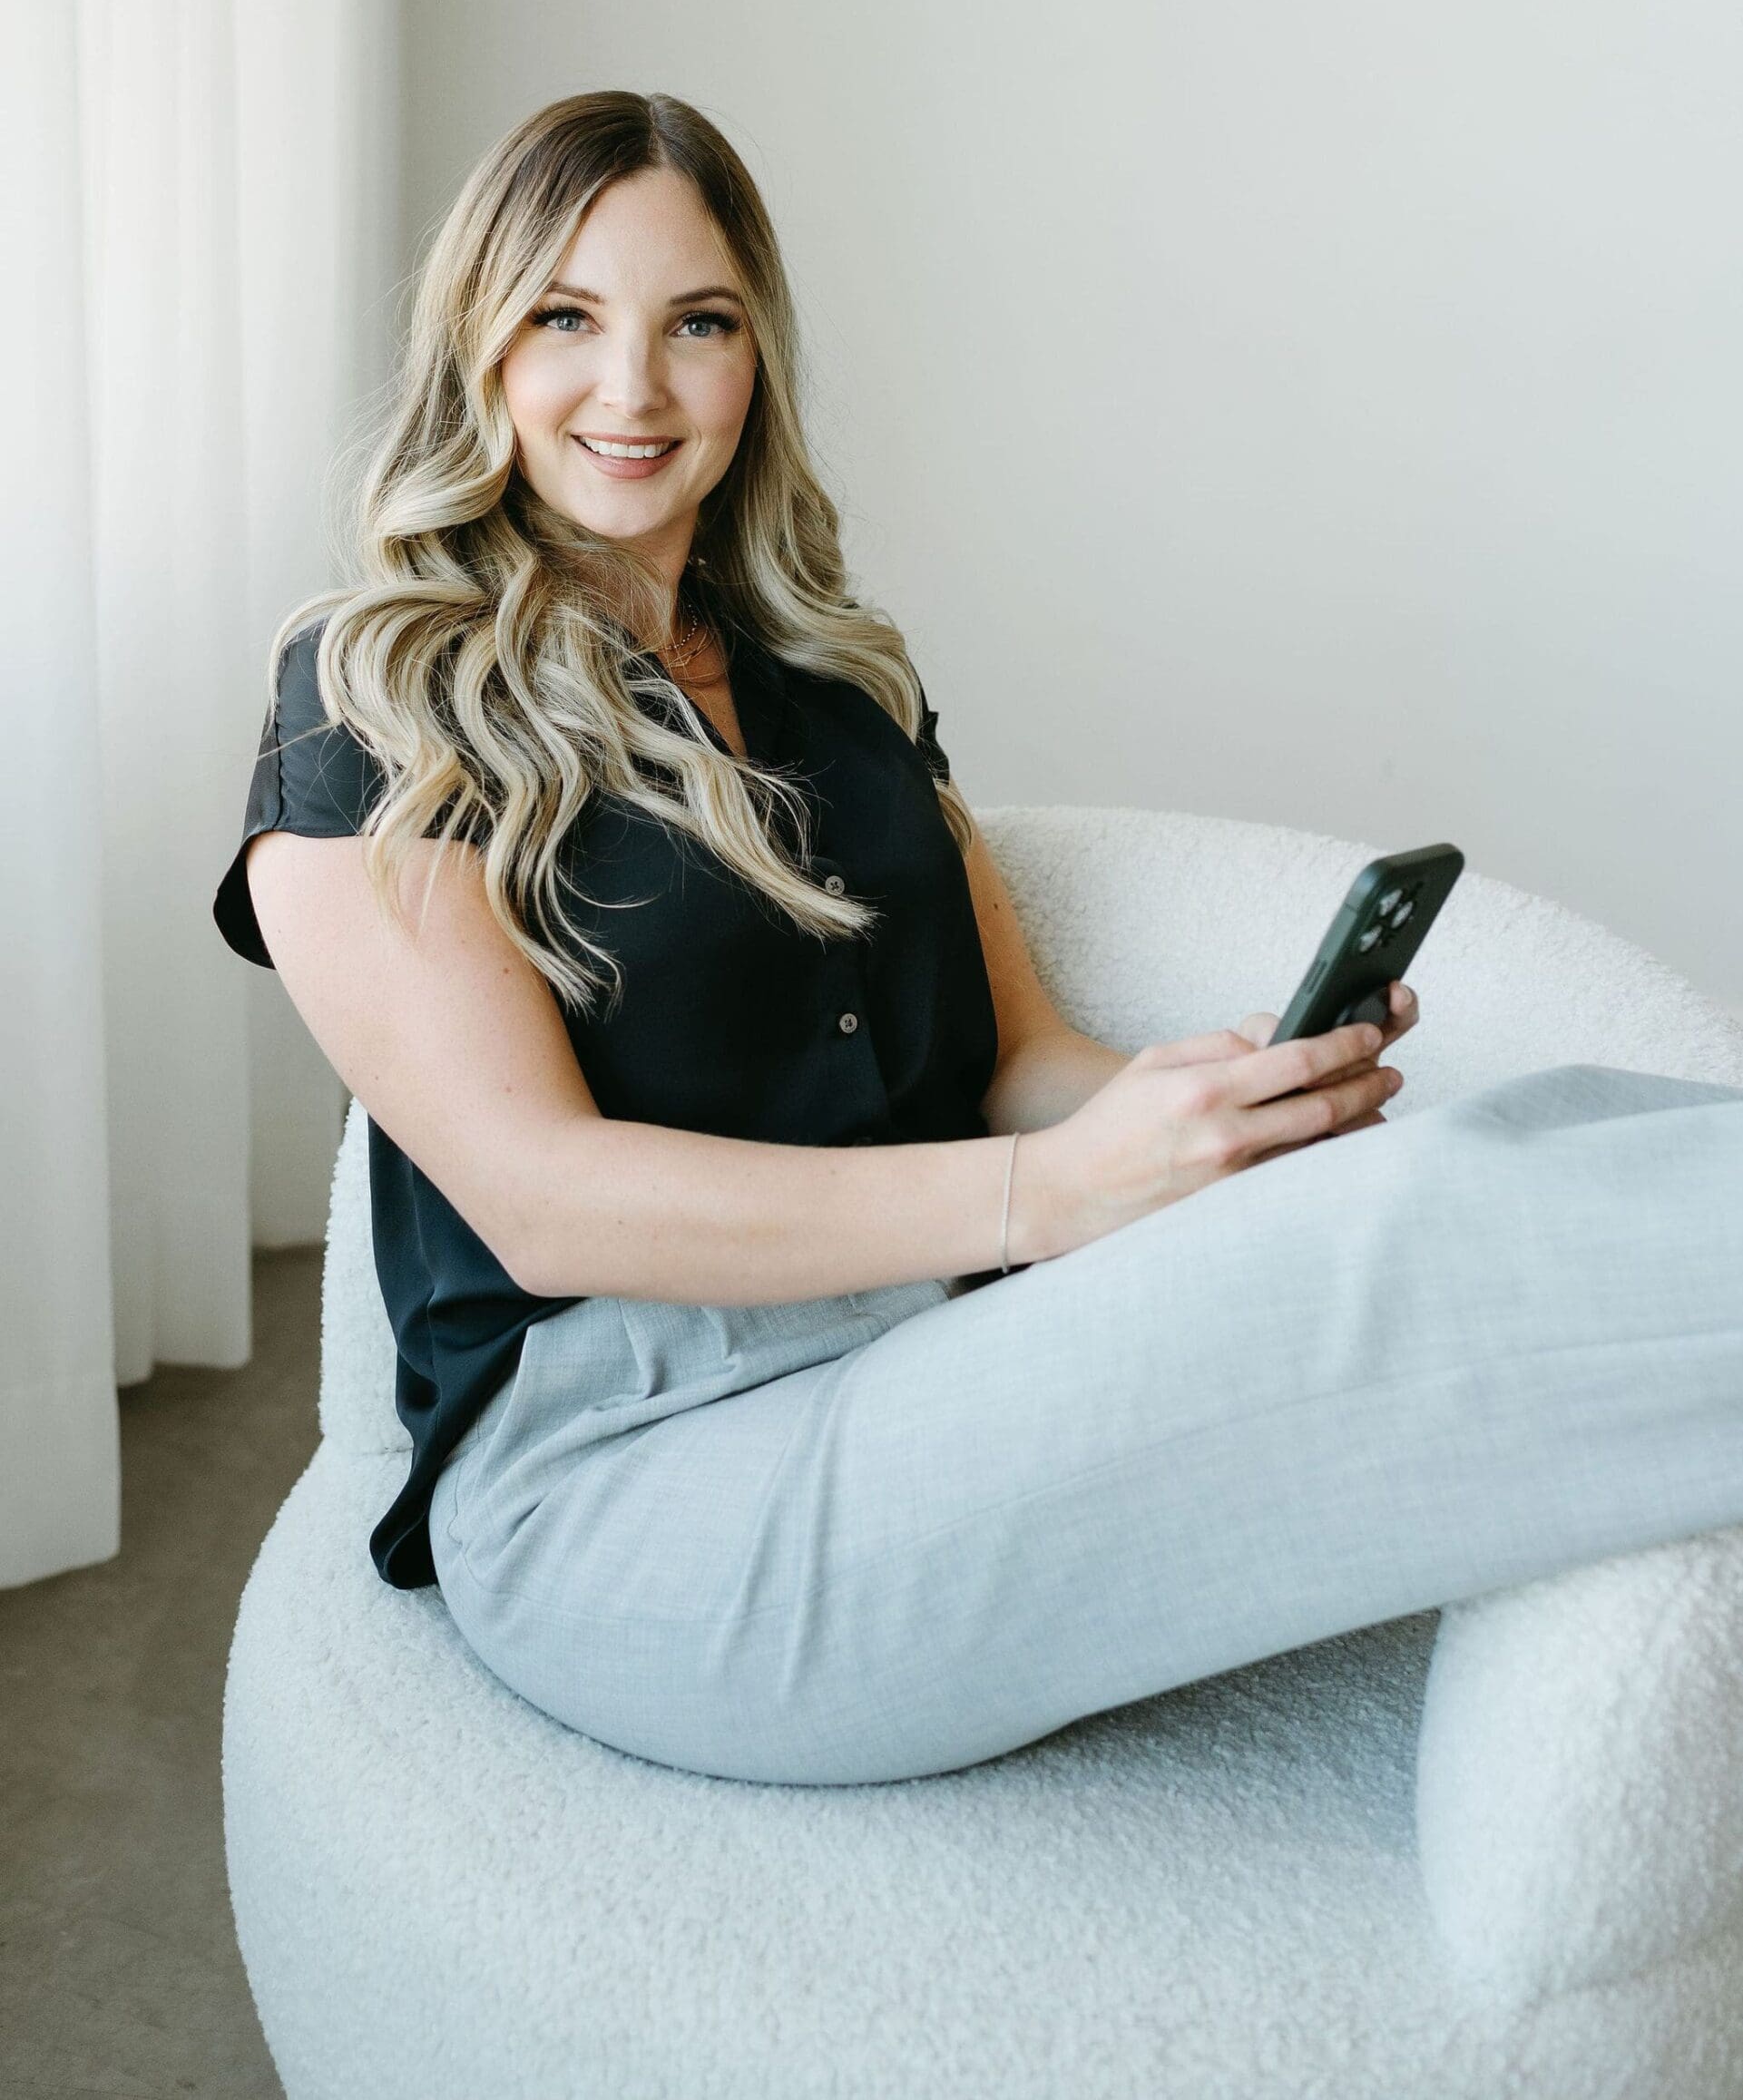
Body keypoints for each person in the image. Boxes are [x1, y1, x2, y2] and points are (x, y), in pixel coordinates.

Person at [213, 90, 1743, 1788]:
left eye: (694, 324)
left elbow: (1017, 1061)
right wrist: (1056, 1200)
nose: (632, 388)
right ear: (480, 348)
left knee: (1515, 1140)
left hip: (933, 1346)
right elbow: (539, 1199)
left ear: (756, 358)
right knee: (1416, 1247)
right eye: (565, 318)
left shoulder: (839, 689)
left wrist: (1198, 1115)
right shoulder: (370, 705)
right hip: (639, 1483)